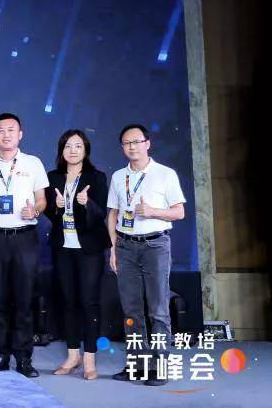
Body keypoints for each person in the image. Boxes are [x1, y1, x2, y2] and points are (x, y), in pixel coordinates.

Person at [107, 123, 185, 386]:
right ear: (122, 147)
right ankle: (137, 365)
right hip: (125, 246)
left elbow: (179, 212)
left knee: (158, 310)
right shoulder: (119, 177)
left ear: (147, 144)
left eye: (137, 142)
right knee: (131, 310)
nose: (132, 147)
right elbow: (113, 214)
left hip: (155, 246)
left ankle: (160, 367)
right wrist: (113, 247)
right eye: (127, 143)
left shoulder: (165, 174)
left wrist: (153, 212)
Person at [0, 112, 49, 378]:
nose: (6, 135)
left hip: (24, 237)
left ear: (20, 134)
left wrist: (35, 211)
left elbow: (42, 200)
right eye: (1, 130)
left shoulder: (33, 163)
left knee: (24, 299)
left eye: (11, 130)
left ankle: (24, 358)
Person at [43, 129, 109, 380]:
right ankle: (73, 356)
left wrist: (85, 203)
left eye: (78, 146)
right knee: (68, 301)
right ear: (62, 150)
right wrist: (56, 206)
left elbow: (100, 213)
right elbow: (49, 212)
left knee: (89, 302)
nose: (73, 150)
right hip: (63, 247)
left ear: (85, 150)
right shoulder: (53, 177)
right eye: (68, 146)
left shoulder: (96, 177)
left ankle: (89, 358)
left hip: (89, 248)